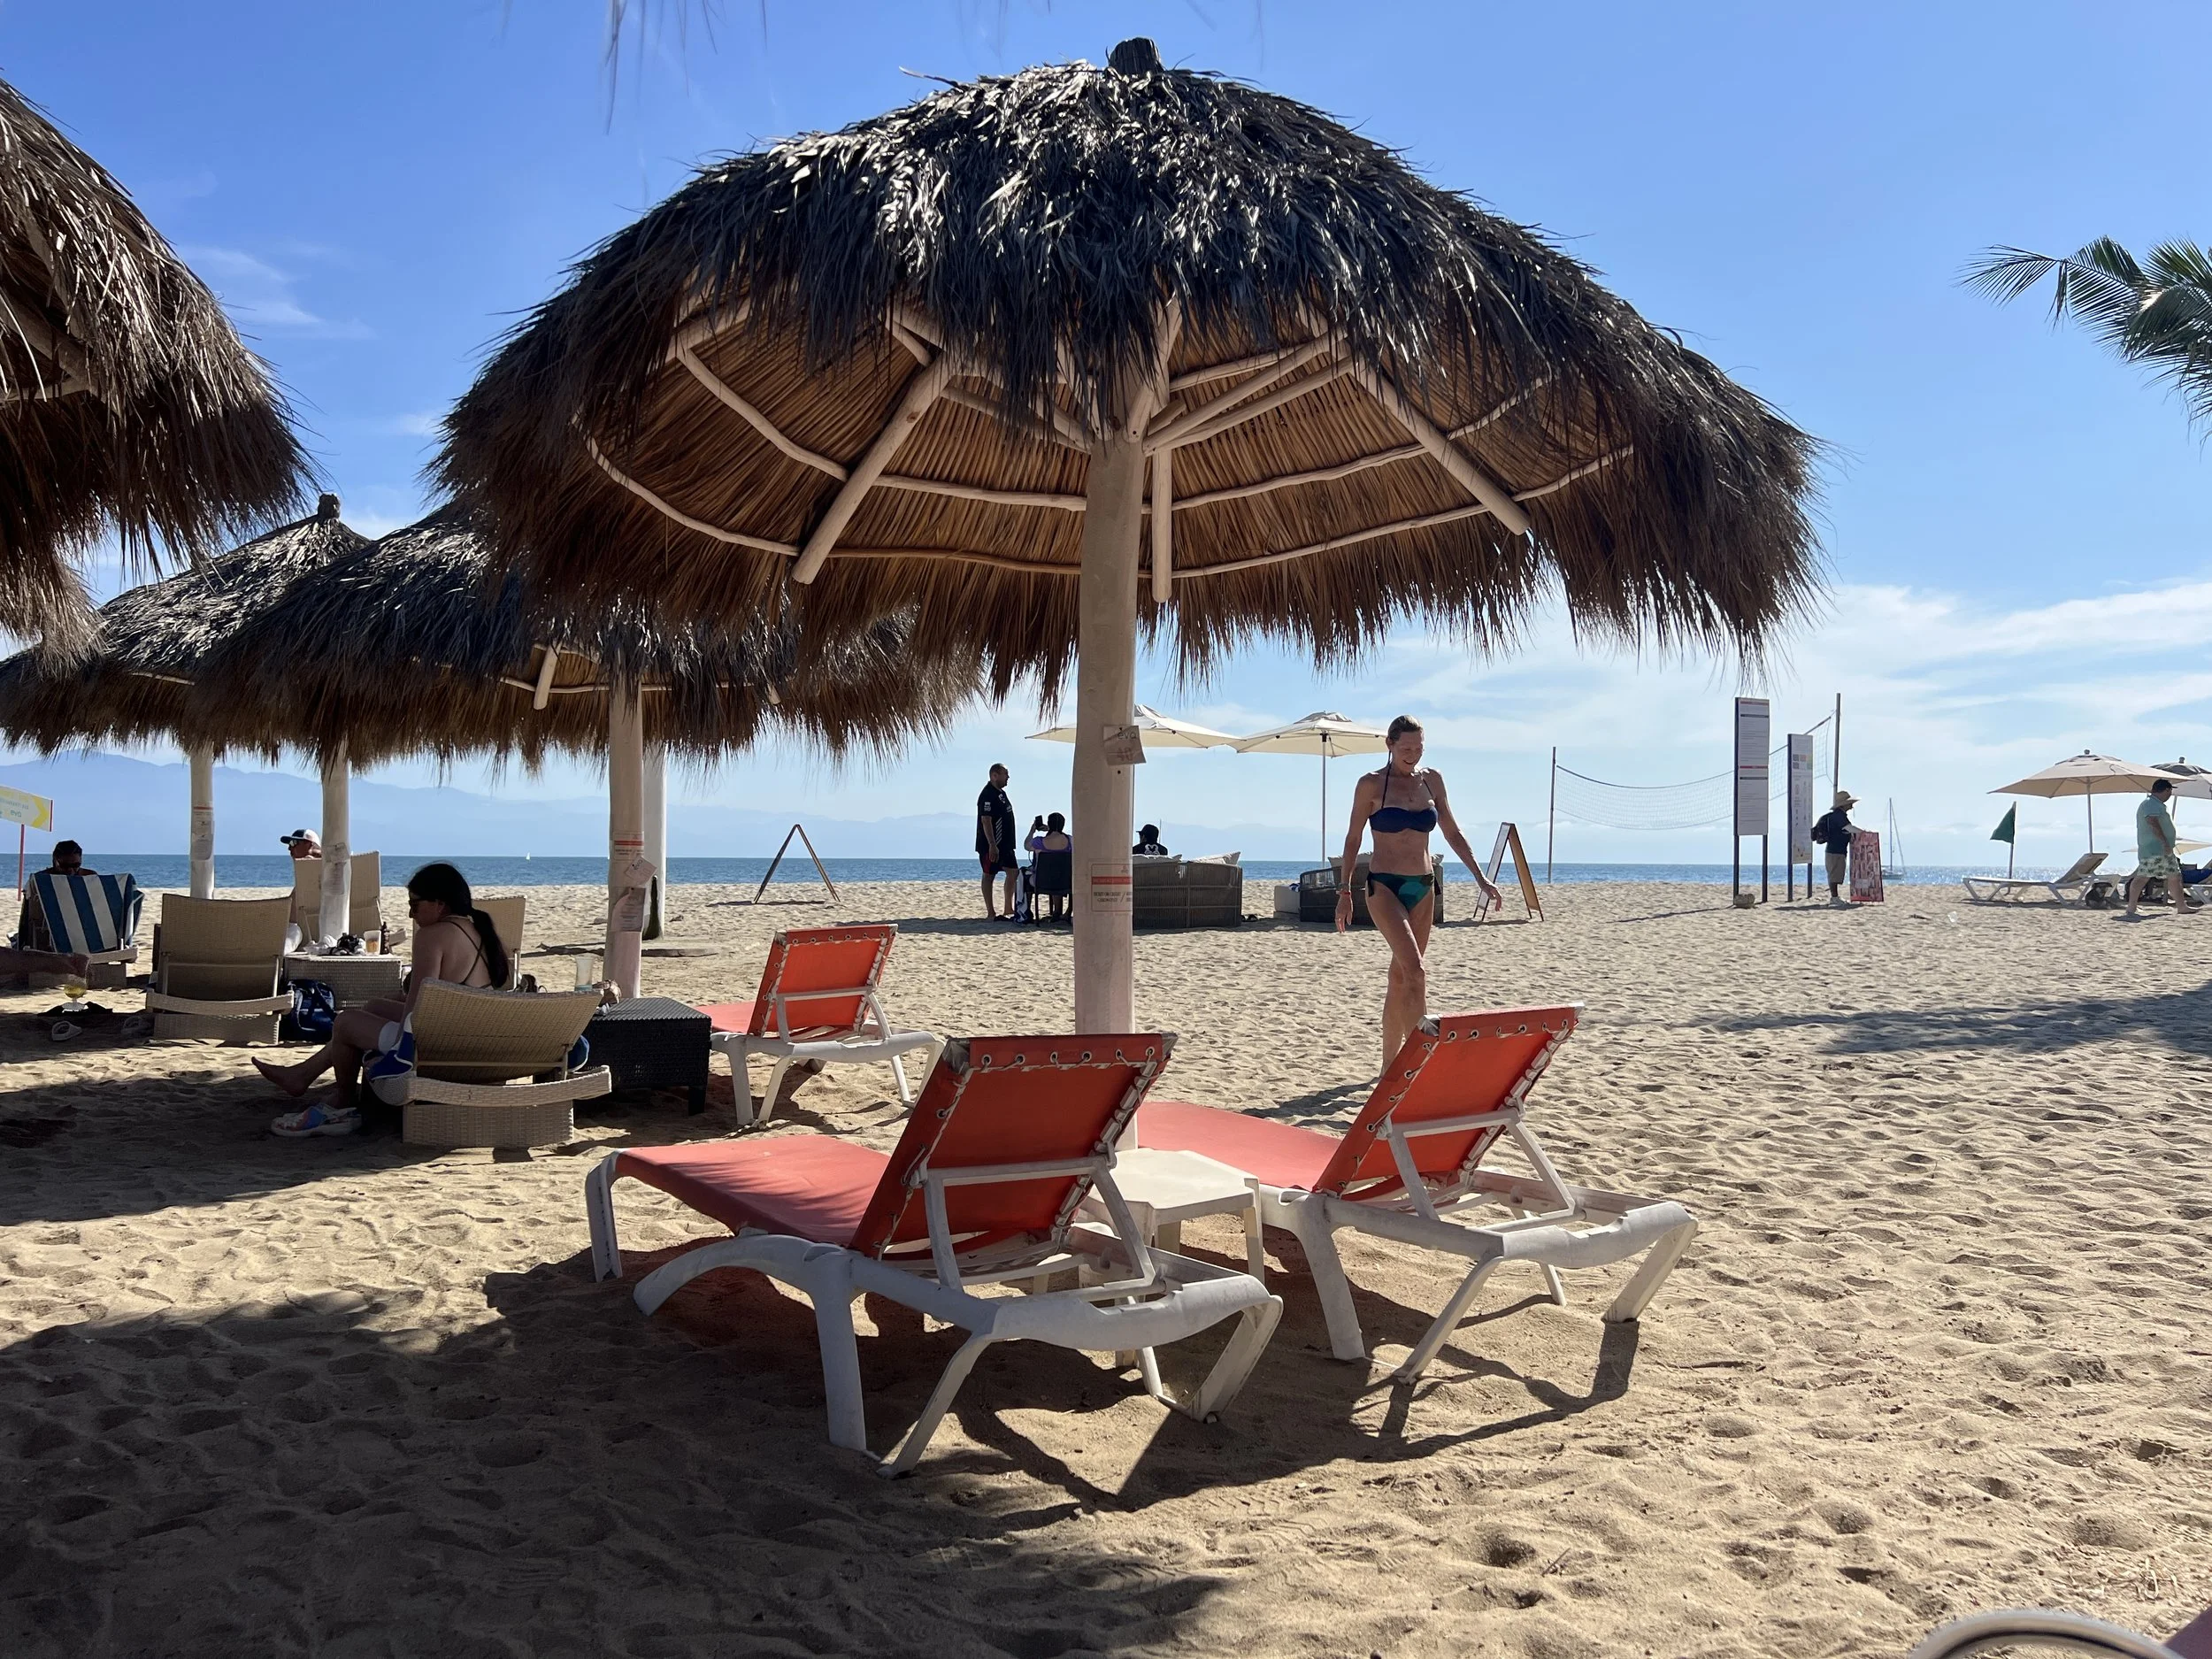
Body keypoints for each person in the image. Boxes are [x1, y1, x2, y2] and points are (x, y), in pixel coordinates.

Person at [254, 863, 508, 1137]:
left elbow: (416, 1011)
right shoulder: (479, 930)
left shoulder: (432, 936)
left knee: (345, 1023)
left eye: (415, 905)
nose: (411, 914)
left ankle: (342, 1099)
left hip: (436, 1048)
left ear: (439, 903)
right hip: (471, 1039)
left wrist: (387, 1048)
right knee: (374, 1007)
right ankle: (302, 1074)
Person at [1336, 715, 1502, 1071]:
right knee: (1416, 972)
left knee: (1400, 977)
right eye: (1406, 748)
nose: (1413, 754)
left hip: (1423, 887)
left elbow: (1453, 832)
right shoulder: (1370, 784)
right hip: (1384, 887)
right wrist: (1345, 891)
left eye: (1419, 748)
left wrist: (1481, 878)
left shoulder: (1432, 780)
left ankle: (1388, 1066)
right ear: (1390, 745)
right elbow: (1353, 838)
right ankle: (1421, 1062)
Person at [2125, 778, 2200, 917]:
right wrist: (2165, 842)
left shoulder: (2153, 803)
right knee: (2152, 877)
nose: (2170, 795)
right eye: (2170, 791)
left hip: (2155, 848)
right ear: (2167, 790)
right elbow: (2152, 822)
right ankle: (2132, 907)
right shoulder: (2151, 804)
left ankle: (2132, 907)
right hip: (2157, 848)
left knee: (2165, 876)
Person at [12, 840, 92, 952]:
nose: (70, 870)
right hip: (47, 932)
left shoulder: (90, 878)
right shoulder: (41, 880)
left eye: (76, 865)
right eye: (64, 866)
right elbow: (28, 915)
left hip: (82, 931)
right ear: (55, 861)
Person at [976, 764, 1018, 920]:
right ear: (995, 775)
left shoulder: (1001, 794)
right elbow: (986, 820)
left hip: (1006, 845)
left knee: (1013, 872)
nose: (1008, 777)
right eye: (1005, 774)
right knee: (989, 875)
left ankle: (1008, 907)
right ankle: (991, 912)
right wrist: (992, 845)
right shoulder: (987, 794)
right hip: (991, 845)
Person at [1811, 790, 1856, 903]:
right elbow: (1849, 828)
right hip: (1835, 850)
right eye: (1849, 803)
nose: (1851, 805)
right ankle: (1834, 897)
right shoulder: (1839, 816)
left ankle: (1835, 897)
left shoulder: (1838, 815)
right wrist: (1864, 832)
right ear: (1844, 804)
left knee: (1835, 873)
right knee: (1834, 874)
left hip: (1836, 850)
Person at [1034, 811, 1072, 921]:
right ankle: (1068, 911)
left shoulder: (1040, 842)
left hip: (1044, 881)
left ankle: (1026, 913)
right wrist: (1055, 830)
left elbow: (1026, 845)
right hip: (1066, 879)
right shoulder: (1070, 841)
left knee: (1024, 878)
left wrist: (1032, 830)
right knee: (1063, 874)